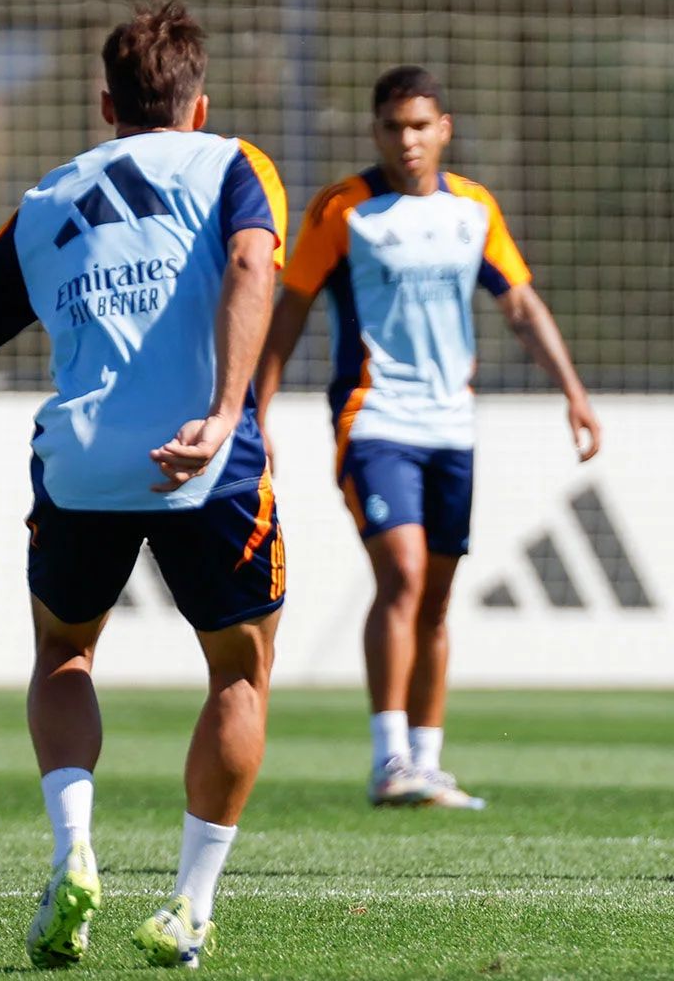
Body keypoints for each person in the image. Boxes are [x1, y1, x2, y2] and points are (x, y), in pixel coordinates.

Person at [0, 0, 288, 969]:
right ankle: (188, 907)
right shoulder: (233, 164)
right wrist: (228, 411)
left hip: (82, 464)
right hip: (205, 459)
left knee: (64, 653)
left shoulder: (48, 202)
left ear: (106, 103)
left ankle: (74, 852)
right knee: (238, 671)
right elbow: (248, 265)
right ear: (199, 104)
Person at [255, 65, 601, 810]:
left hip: (452, 425)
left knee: (437, 600)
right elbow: (290, 310)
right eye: (392, 127)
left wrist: (573, 392)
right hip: (373, 419)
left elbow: (519, 305)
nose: (406, 140)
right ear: (375, 131)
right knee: (403, 576)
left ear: (443, 128)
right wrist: (259, 408)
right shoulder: (343, 210)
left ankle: (427, 760)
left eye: (420, 125)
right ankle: (388, 760)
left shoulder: (473, 209)